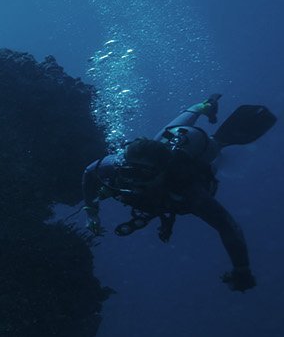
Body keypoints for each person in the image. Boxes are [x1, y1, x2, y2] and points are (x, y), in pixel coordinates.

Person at [83, 94, 274, 292]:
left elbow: (227, 226)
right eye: (129, 172)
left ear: (162, 172)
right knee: (165, 136)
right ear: (122, 164)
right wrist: (91, 210)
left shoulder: (189, 190)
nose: (133, 180)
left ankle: (217, 140)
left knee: (213, 143)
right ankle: (204, 106)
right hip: (168, 148)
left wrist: (242, 269)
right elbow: (89, 172)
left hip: (192, 152)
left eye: (143, 174)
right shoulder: (115, 164)